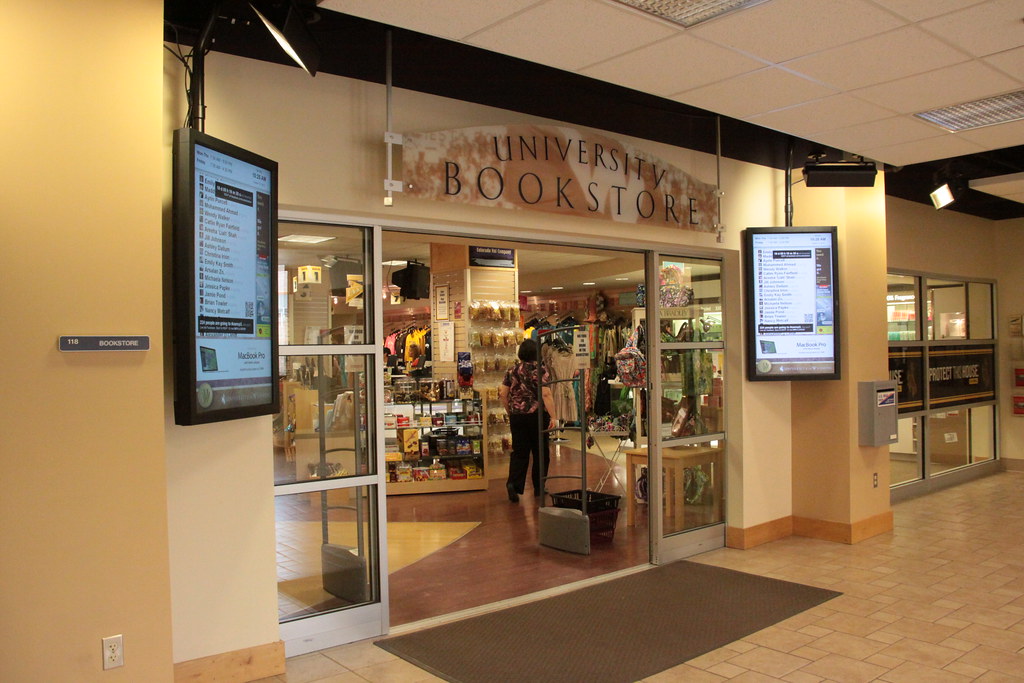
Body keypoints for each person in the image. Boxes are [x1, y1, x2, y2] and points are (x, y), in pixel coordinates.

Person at [499, 339, 557, 503]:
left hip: (517, 416)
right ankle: (539, 486)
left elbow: (503, 394)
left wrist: (511, 411)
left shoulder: (511, 371)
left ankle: (513, 484)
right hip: (537, 416)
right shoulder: (540, 370)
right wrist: (553, 416)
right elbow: (546, 394)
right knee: (541, 452)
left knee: (520, 452)